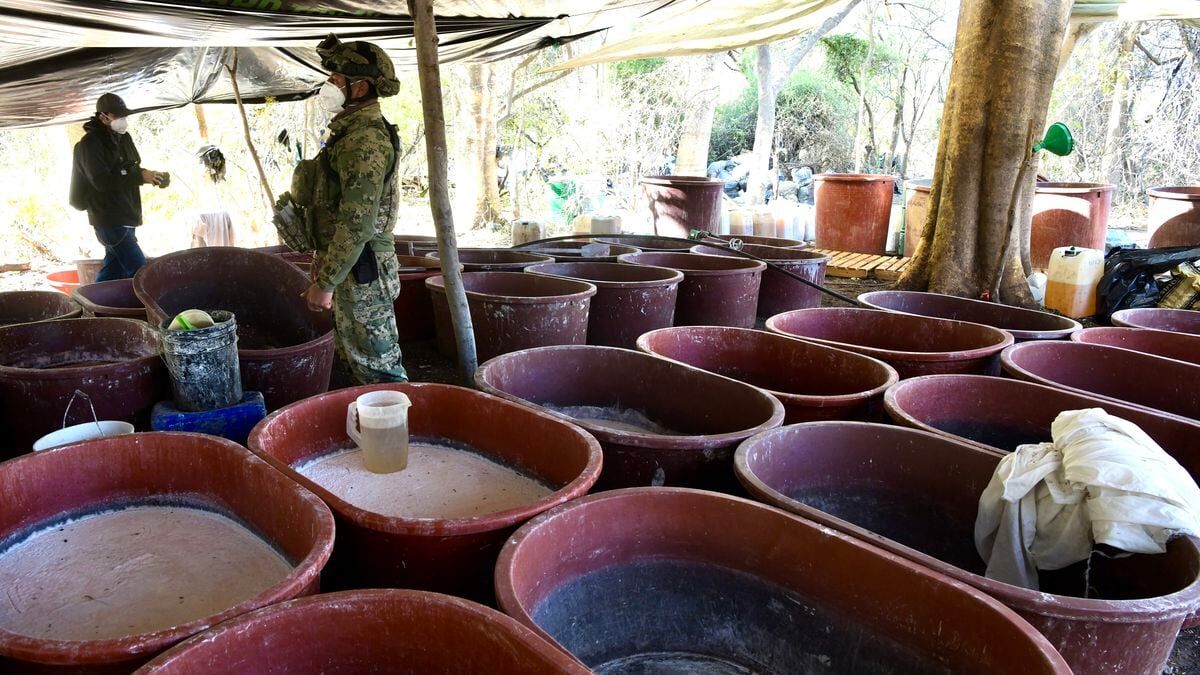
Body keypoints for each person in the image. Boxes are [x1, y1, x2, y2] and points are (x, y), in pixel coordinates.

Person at [294, 34, 407, 384]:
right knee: (355, 360)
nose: (329, 86)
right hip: (350, 264)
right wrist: (325, 266)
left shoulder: (364, 140)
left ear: (359, 88)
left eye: (336, 79)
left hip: (362, 268)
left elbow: (357, 223)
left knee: (379, 370)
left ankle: (402, 420)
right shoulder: (349, 133)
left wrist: (327, 282)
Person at [70, 93, 169, 281]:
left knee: (113, 270)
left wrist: (151, 176)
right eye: (117, 116)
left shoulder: (123, 138)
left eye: (124, 116)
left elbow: (131, 170)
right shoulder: (90, 144)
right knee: (140, 271)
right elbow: (101, 181)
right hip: (108, 217)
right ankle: (150, 300)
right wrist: (138, 176)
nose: (123, 120)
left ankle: (93, 297)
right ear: (102, 117)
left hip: (126, 213)